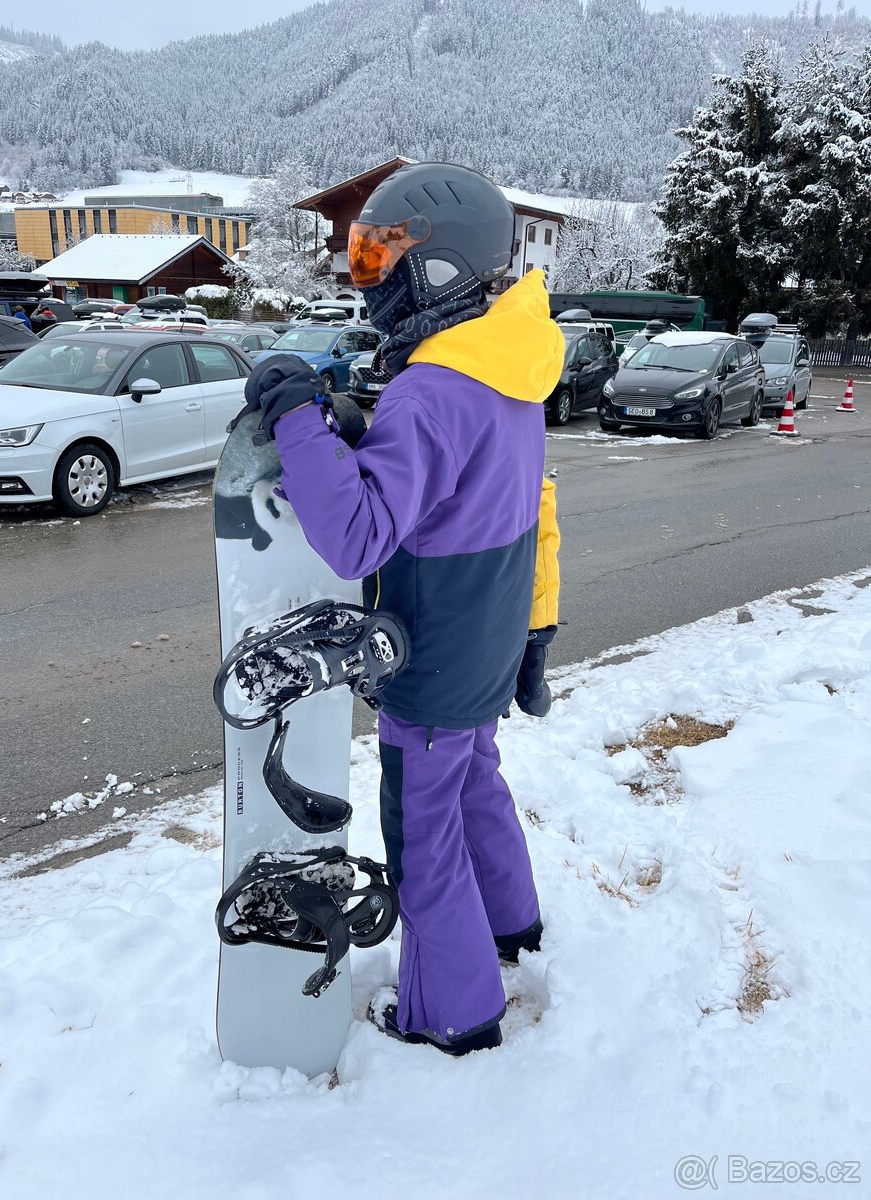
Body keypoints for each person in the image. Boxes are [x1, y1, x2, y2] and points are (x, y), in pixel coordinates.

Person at [241, 162, 564, 1056]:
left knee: (423, 831)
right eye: (363, 256)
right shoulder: (511, 362)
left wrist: (300, 416)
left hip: (432, 654)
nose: (370, 276)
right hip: (490, 632)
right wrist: (539, 627)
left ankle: (453, 1012)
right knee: (474, 783)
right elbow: (519, 500)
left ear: (444, 268)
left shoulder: (431, 388)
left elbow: (355, 537)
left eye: (385, 257)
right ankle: (514, 926)